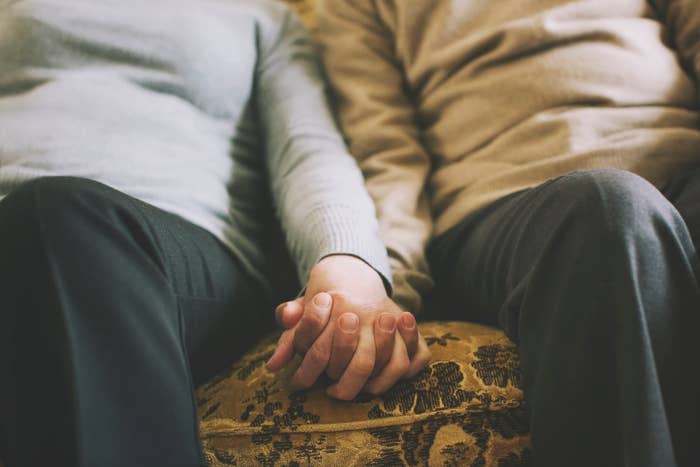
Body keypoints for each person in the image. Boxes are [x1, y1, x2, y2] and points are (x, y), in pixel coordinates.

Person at [0, 0, 430, 466]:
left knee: (62, 216)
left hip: (173, 247)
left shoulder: (265, 18)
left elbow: (307, 151)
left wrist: (348, 265)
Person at [274, 0, 700, 465]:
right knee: (612, 209)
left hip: (681, 165)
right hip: (506, 210)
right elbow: (386, 155)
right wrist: (386, 281)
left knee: (621, 206)